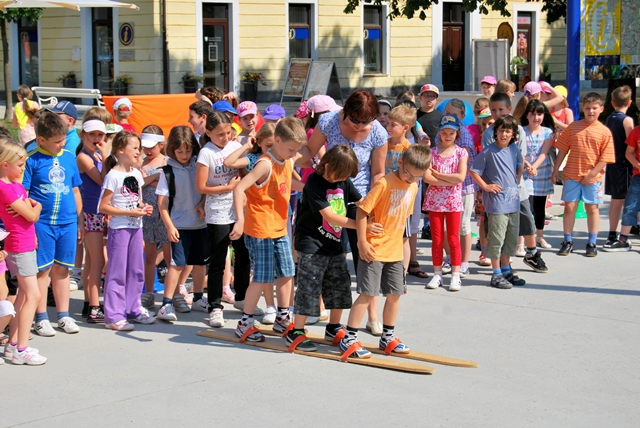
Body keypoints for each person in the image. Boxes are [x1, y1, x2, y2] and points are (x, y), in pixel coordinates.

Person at [300, 89, 388, 336]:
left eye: (366, 122)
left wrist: (372, 205)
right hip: (328, 196)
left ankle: (372, 315)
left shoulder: (379, 133)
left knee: (366, 258)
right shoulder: (329, 121)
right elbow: (309, 151)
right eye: (355, 121)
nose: (360, 127)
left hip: (359, 198)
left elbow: (378, 172)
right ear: (345, 112)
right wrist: (292, 160)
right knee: (325, 256)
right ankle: (319, 310)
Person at [339, 144, 432, 358]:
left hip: (395, 252)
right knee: (367, 294)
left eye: (416, 176)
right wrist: (362, 242)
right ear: (400, 162)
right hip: (374, 249)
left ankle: (387, 337)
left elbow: (403, 221)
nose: (410, 178)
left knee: (395, 295)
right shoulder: (384, 183)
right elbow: (362, 212)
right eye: (407, 172)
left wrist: (404, 253)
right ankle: (349, 338)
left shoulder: (414, 187)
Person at [229, 117, 307, 342]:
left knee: (287, 271)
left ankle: (283, 316)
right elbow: (239, 188)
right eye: (291, 149)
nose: (294, 154)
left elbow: (287, 184)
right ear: (278, 141)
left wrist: (311, 189)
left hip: (279, 226)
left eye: (296, 150)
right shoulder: (265, 163)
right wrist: (240, 220)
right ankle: (245, 323)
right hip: (260, 227)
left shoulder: (287, 160)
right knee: (262, 277)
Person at [289, 145, 362, 351]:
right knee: (309, 286)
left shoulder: (344, 180)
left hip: (335, 243)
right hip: (311, 242)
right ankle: (297, 331)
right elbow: (329, 216)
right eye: (338, 174)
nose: (340, 179)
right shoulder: (314, 182)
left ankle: (333, 327)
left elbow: (360, 201)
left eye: (344, 176)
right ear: (327, 165)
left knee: (339, 284)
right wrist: (360, 224)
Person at [24, 112, 83, 336]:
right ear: (41, 140)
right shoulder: (32, 160)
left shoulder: (68, 157)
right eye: (57, 141)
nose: (61, 144)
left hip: (67, 223)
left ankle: (64, 315)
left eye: (63, 140)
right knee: (43, 270)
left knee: (63, 269)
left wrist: (80, 221)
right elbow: (25, 194)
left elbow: (75, 189)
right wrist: (31, 225)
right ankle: (41, 318)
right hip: (43, 224)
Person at [196, 112, 253, 327]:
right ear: (208, 132)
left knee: (243, 254)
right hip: (217, 211)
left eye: (228, 132)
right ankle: (214, 306)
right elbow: (201, 186)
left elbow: (243, 172)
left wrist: (242, 192)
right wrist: (228, 187)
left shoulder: (232, 147)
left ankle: (241, 298)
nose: (225, 137)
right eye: (220, 134)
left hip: (237, 208)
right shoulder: (206, 153)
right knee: (218, 260)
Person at [482, 92, 545, 277]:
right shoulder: (489, 134)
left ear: (509, 109)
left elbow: (520, 158)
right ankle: (499, 265)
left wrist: (524, 171)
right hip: (498, 191)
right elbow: (486, 162)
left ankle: (532, 253)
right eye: (493, 110)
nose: (497, 113)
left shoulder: (518, 132)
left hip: (517, 189)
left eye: (501, 109)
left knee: (526, 219)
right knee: (497, 228)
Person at [99, 131, 156, 331]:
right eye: (135, 148)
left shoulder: (135, 174)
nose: (139, 152)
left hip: (136, 227)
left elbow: (136, 198)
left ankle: (134, 308)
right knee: (117, 272)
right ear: (120, 150)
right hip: (120, 229)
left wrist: (143, 207)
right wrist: (127, 211)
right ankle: (114, 315)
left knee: (136, 269)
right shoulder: (113, 175)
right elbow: (103, 207)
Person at [155, 126, 209, 322]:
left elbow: (205, 190)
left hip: (201, 224)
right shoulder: (167, 171)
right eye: (180, 151)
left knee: (200, 263)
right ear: (172, 150)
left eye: (188, 150)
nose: (184, 155)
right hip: (179, 225)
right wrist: (170, 226)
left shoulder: (199, 164)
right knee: (176, 264)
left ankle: (198, 298)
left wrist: (203, 204)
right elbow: (162, 203)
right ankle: (166, 303)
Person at [0, 137, 46, 365]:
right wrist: (36, 208)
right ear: (4, 163)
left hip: (26, 243)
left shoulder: (16, 185)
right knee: (33, 294)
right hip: (18, 246)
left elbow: (29, 211)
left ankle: (12, 344)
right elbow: (31, 213)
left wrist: (32, 210)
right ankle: (21, 348)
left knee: (23, 296)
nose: (23, 169)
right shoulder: (5, 188)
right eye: (20, 165)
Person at [552, 93, 615, 256]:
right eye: (587, 108)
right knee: (570, 207)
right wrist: (555, 169)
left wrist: (591, 175)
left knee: (592, 208)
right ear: (582, 109)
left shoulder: (604, 132)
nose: (591, 111)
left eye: (594, 108)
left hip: (593, 178)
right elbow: (563, 149)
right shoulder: (573, 128)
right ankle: (567, 240)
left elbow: (606, 158)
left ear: (601, 109)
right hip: (572, 175)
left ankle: (592, 243)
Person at [470, 115, 525, 289]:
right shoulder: (488, 151)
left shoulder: (514, 149)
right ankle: (496, 273)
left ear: (513, 134)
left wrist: (518, 178)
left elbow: (520, 164)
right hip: (497, 204)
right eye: (501, 130)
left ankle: (506, 268)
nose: (504, 134)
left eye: (508, 131)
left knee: (510, 238)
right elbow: (474, 171)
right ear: (496, 132)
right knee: (497, 238)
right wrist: (485, 186)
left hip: (513, 202)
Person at [433, 99, 477, 278]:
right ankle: (451, 258)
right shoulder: (440, 135)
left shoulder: (463, 135)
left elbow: (460, 171)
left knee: (463, 226)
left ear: (462, 116)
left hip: (464, 188)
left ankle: (464, 262)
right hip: (443, 191)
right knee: (446, 230)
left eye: (454, 114)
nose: (450, 116)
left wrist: (437, 175)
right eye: (446, 113)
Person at [424, 114, 468, 291]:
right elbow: (427, 177)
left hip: (453, 202)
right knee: (437, 238)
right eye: (445, 133)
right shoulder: (432, 153)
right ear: (440, 133)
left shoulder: (461, 152)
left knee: (453, 238)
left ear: (457, 134)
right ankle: (437, 274)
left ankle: (456, 275)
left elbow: (460, 177)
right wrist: (446, 181)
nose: (448, 136)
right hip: (434, 202)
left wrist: (439, 176)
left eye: (452, 133)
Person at [75, 118, 109, 323]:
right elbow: (103, 180)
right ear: (83, 136)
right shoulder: (83, 157)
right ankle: (95, 306)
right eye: (92, 134)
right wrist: (106, 156)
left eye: (100, 135)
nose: (96, 139)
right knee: (98, 260)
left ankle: (90, 302)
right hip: (90, 212)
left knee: (93, 262)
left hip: (99, 212)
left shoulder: (97, 155)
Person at [139, 127, 174, 309]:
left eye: (152, 147)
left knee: (169, 256)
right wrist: (154, 177)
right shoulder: (139, 162)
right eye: (145, 147)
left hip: (163, 213)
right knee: (150, 254)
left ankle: (173, 293)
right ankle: (149, 292)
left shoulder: (167, 161)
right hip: (145, 215)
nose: (148, 150)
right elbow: (137, 184)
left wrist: (149, 179)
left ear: (161, 144)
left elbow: (166, 181)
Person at [520, 100, 556, 257]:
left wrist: (535, 166)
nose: (536, 117)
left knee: (540, 209)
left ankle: (539, 236)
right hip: (524, 172)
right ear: (527, 115)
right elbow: (518, 151)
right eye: (533, 114)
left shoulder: (548, 132)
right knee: (525, 208)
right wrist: (528, 165)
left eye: (539, 114)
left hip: (541, 173)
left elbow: (544, 152)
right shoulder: (520, 130)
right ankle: (521, 242)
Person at [603, 86, 635, 249]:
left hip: (613, 162)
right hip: (625, 164)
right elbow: (632, 142)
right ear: (629, 102)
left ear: (612, 102)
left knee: (617, 199)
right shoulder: (627, 120)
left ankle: (616, 231)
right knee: (624, 199)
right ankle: (614, 235)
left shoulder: (609, 118)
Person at [610, 124, 640, 251]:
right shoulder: (637, 131)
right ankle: (623, 240)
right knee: (630, 207)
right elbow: (629, 153)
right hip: (638, 177)